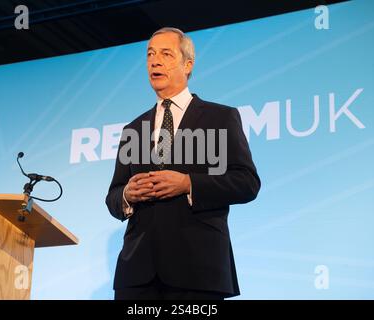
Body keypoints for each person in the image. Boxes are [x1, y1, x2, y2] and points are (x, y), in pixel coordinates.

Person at [106, 27, 261, 300]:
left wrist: (188, 183)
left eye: (166, 54)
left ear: (187, 64)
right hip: (138, 275)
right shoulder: (133, 129)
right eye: (150, 54)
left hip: (198, 270)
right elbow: (113, 196)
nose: (155, 61)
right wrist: (127, 195)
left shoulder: (220, 118)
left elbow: (247, 182)